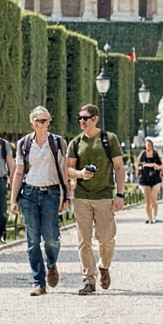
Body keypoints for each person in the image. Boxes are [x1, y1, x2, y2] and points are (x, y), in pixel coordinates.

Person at [10, 106, 71, 296]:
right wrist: (13, 199)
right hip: (28, 194)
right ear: (32, 123)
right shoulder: (23, 144)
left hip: (51, 194)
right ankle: (39, 282)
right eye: (38, 121)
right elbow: (19, 171)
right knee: (33, 241)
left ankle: (51, 264)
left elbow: (63, 171)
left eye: (44, 121)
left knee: (51, 239)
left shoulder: (58, 143)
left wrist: (66, 195)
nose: (41, 124)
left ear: (49, 123)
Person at [66, 104, 127, 295]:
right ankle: (89, 280)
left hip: (104, 196)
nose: (82, 121)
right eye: (80, 118)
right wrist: (79, 174)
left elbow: (119, 167)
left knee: (106, 239)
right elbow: (68, 169)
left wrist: (120, 194)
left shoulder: (109, 139)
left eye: (85, 118)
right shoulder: (75, 143)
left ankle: (104, 266)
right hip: (82, 197)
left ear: (95, 119)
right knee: (84, 241)